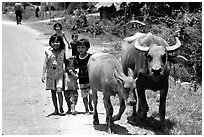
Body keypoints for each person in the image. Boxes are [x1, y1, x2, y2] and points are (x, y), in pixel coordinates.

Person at [41, 34, 66, 115]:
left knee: (59, 90)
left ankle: (61, 107)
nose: (55, 43)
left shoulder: (62, 51)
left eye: (57, 42)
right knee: (53, 92)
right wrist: (43, 75)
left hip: (60, 74)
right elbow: (45, 64)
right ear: (50, 43)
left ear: (60, 42)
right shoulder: (48, 52)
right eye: (53, 42)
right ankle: (56, 109)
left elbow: (65, 61)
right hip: (50, 75)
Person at [74, 38, 93, 113]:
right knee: (84, 95)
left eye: (82, 47)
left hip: (90, 78)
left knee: (91, 93)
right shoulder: (76, 58)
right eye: (78, 47)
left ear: (87, 48)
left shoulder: (90, 57)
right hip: (82, 79)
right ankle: (86, 109)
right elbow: (74, 67)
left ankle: (90, 102)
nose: (80, 49)